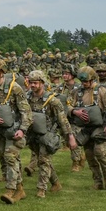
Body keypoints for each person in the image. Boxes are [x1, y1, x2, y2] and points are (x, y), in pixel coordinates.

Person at [0, 59, 32, 204]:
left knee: (10, 156)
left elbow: (26, 111)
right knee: (10, 159)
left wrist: (23, 130)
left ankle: (10, 191)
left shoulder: (15, 88)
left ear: (2, 72)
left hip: (15, 130)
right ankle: (20, 189)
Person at [25, 70, 77, 198]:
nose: (33, 85)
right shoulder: (27, 98)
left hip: (47, 135)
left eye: (36, 83)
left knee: (43, 160)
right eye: (31, 83)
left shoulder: (52, 101)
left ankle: (41, 189)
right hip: (32, 134)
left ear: (42, 83)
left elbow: (63, 120)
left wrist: (70, 137)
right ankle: (56, 183)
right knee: (43, 160)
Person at [69, 66, 106, 190]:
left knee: (100, 152)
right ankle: (97, 181)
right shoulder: (76, 92)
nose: (84, 84)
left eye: (86, 81)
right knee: (89, 154)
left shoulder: (102, 91)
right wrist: (74, 111)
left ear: (92, 79)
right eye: (82, 81)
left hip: (100, 127)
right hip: (86, 129)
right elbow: (66, 106)